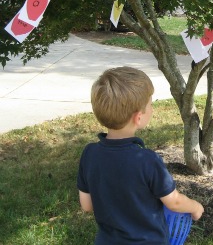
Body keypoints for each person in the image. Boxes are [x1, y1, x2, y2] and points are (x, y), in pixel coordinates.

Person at [77, 66, 204, 245]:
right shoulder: (148, 160)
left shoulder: (89, 154)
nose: (151, 108)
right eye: (150, 104)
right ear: (138, 117)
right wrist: (195, 207)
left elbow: (87, 205)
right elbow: (174, 202)